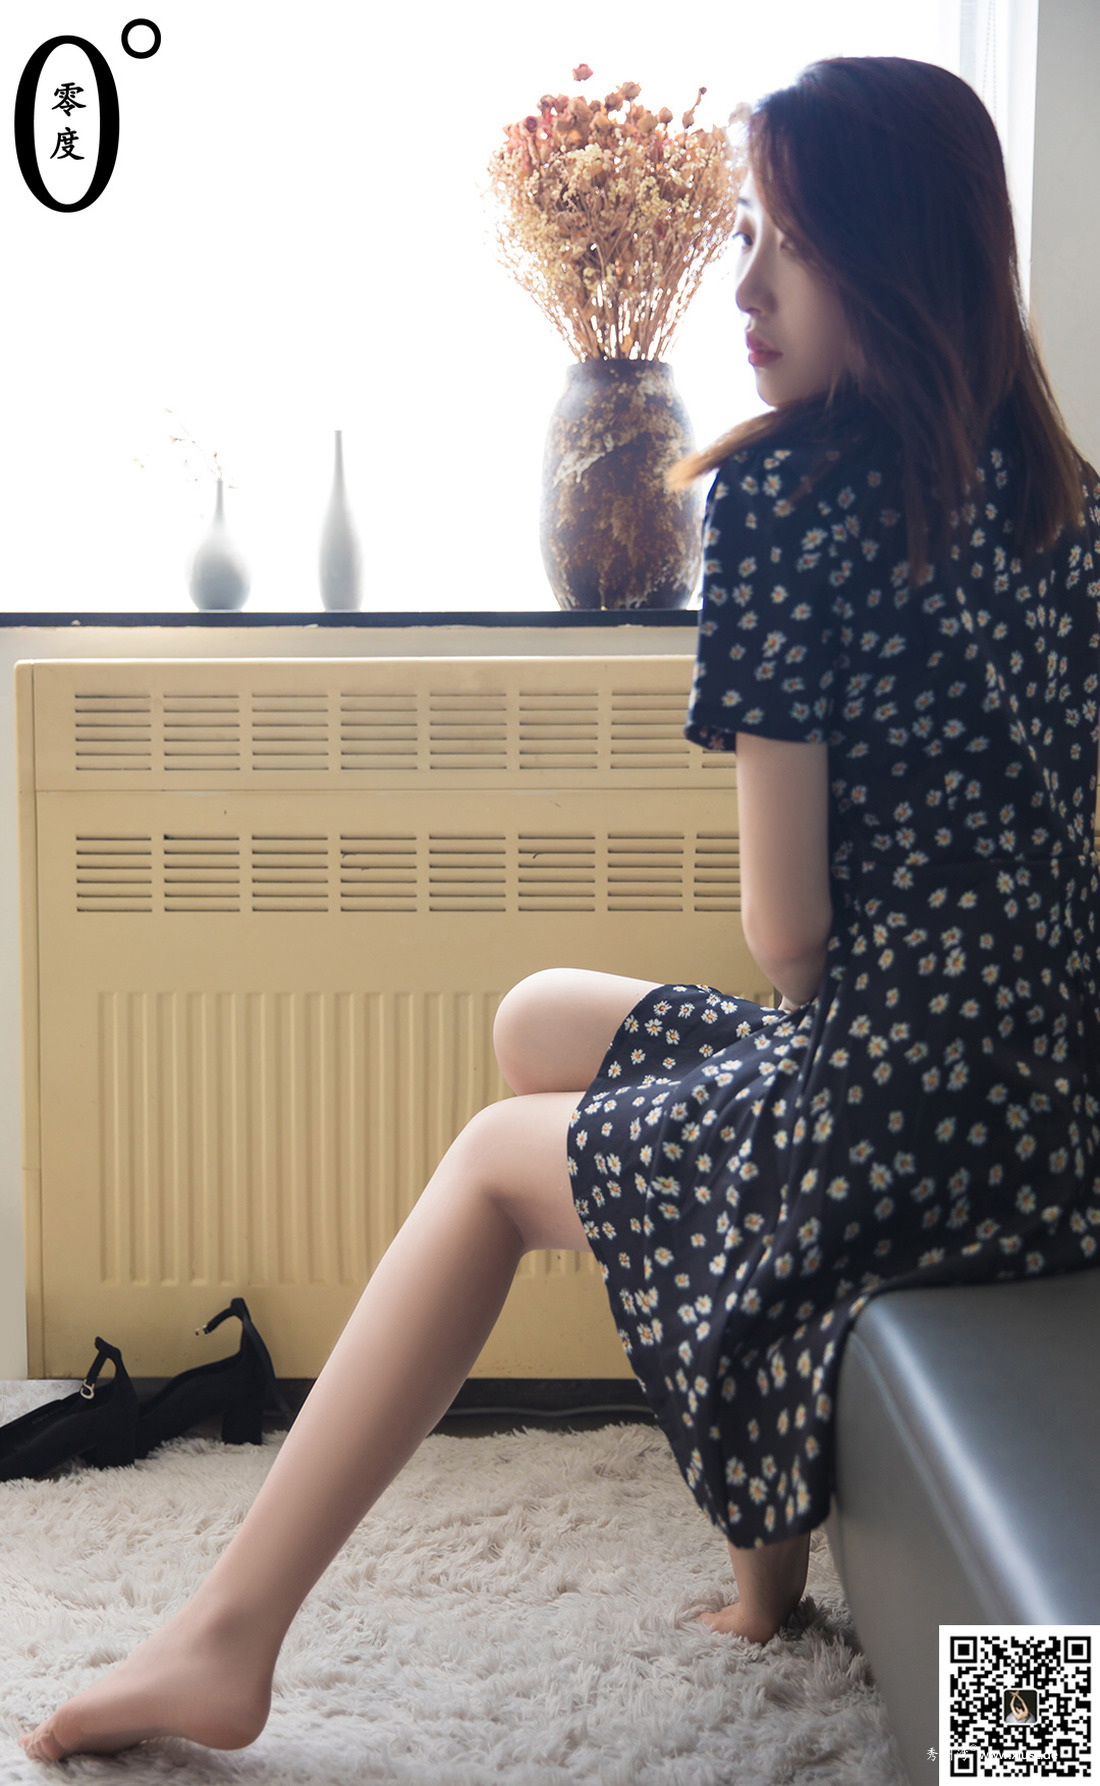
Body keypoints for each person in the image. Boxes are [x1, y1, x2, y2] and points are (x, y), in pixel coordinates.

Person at [19, 52, 1100, 1762]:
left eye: (790, 242)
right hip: (1048, 1118)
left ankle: (227, 1636)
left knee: (491, 1163)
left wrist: (832, 1049)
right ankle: (763, 1571)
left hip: (896, 1121)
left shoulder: (784, 499)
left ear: (893, 257)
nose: (744, 288)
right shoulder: (1067, 502)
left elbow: (789, 938)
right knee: (541, 1022)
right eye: (744, 236)